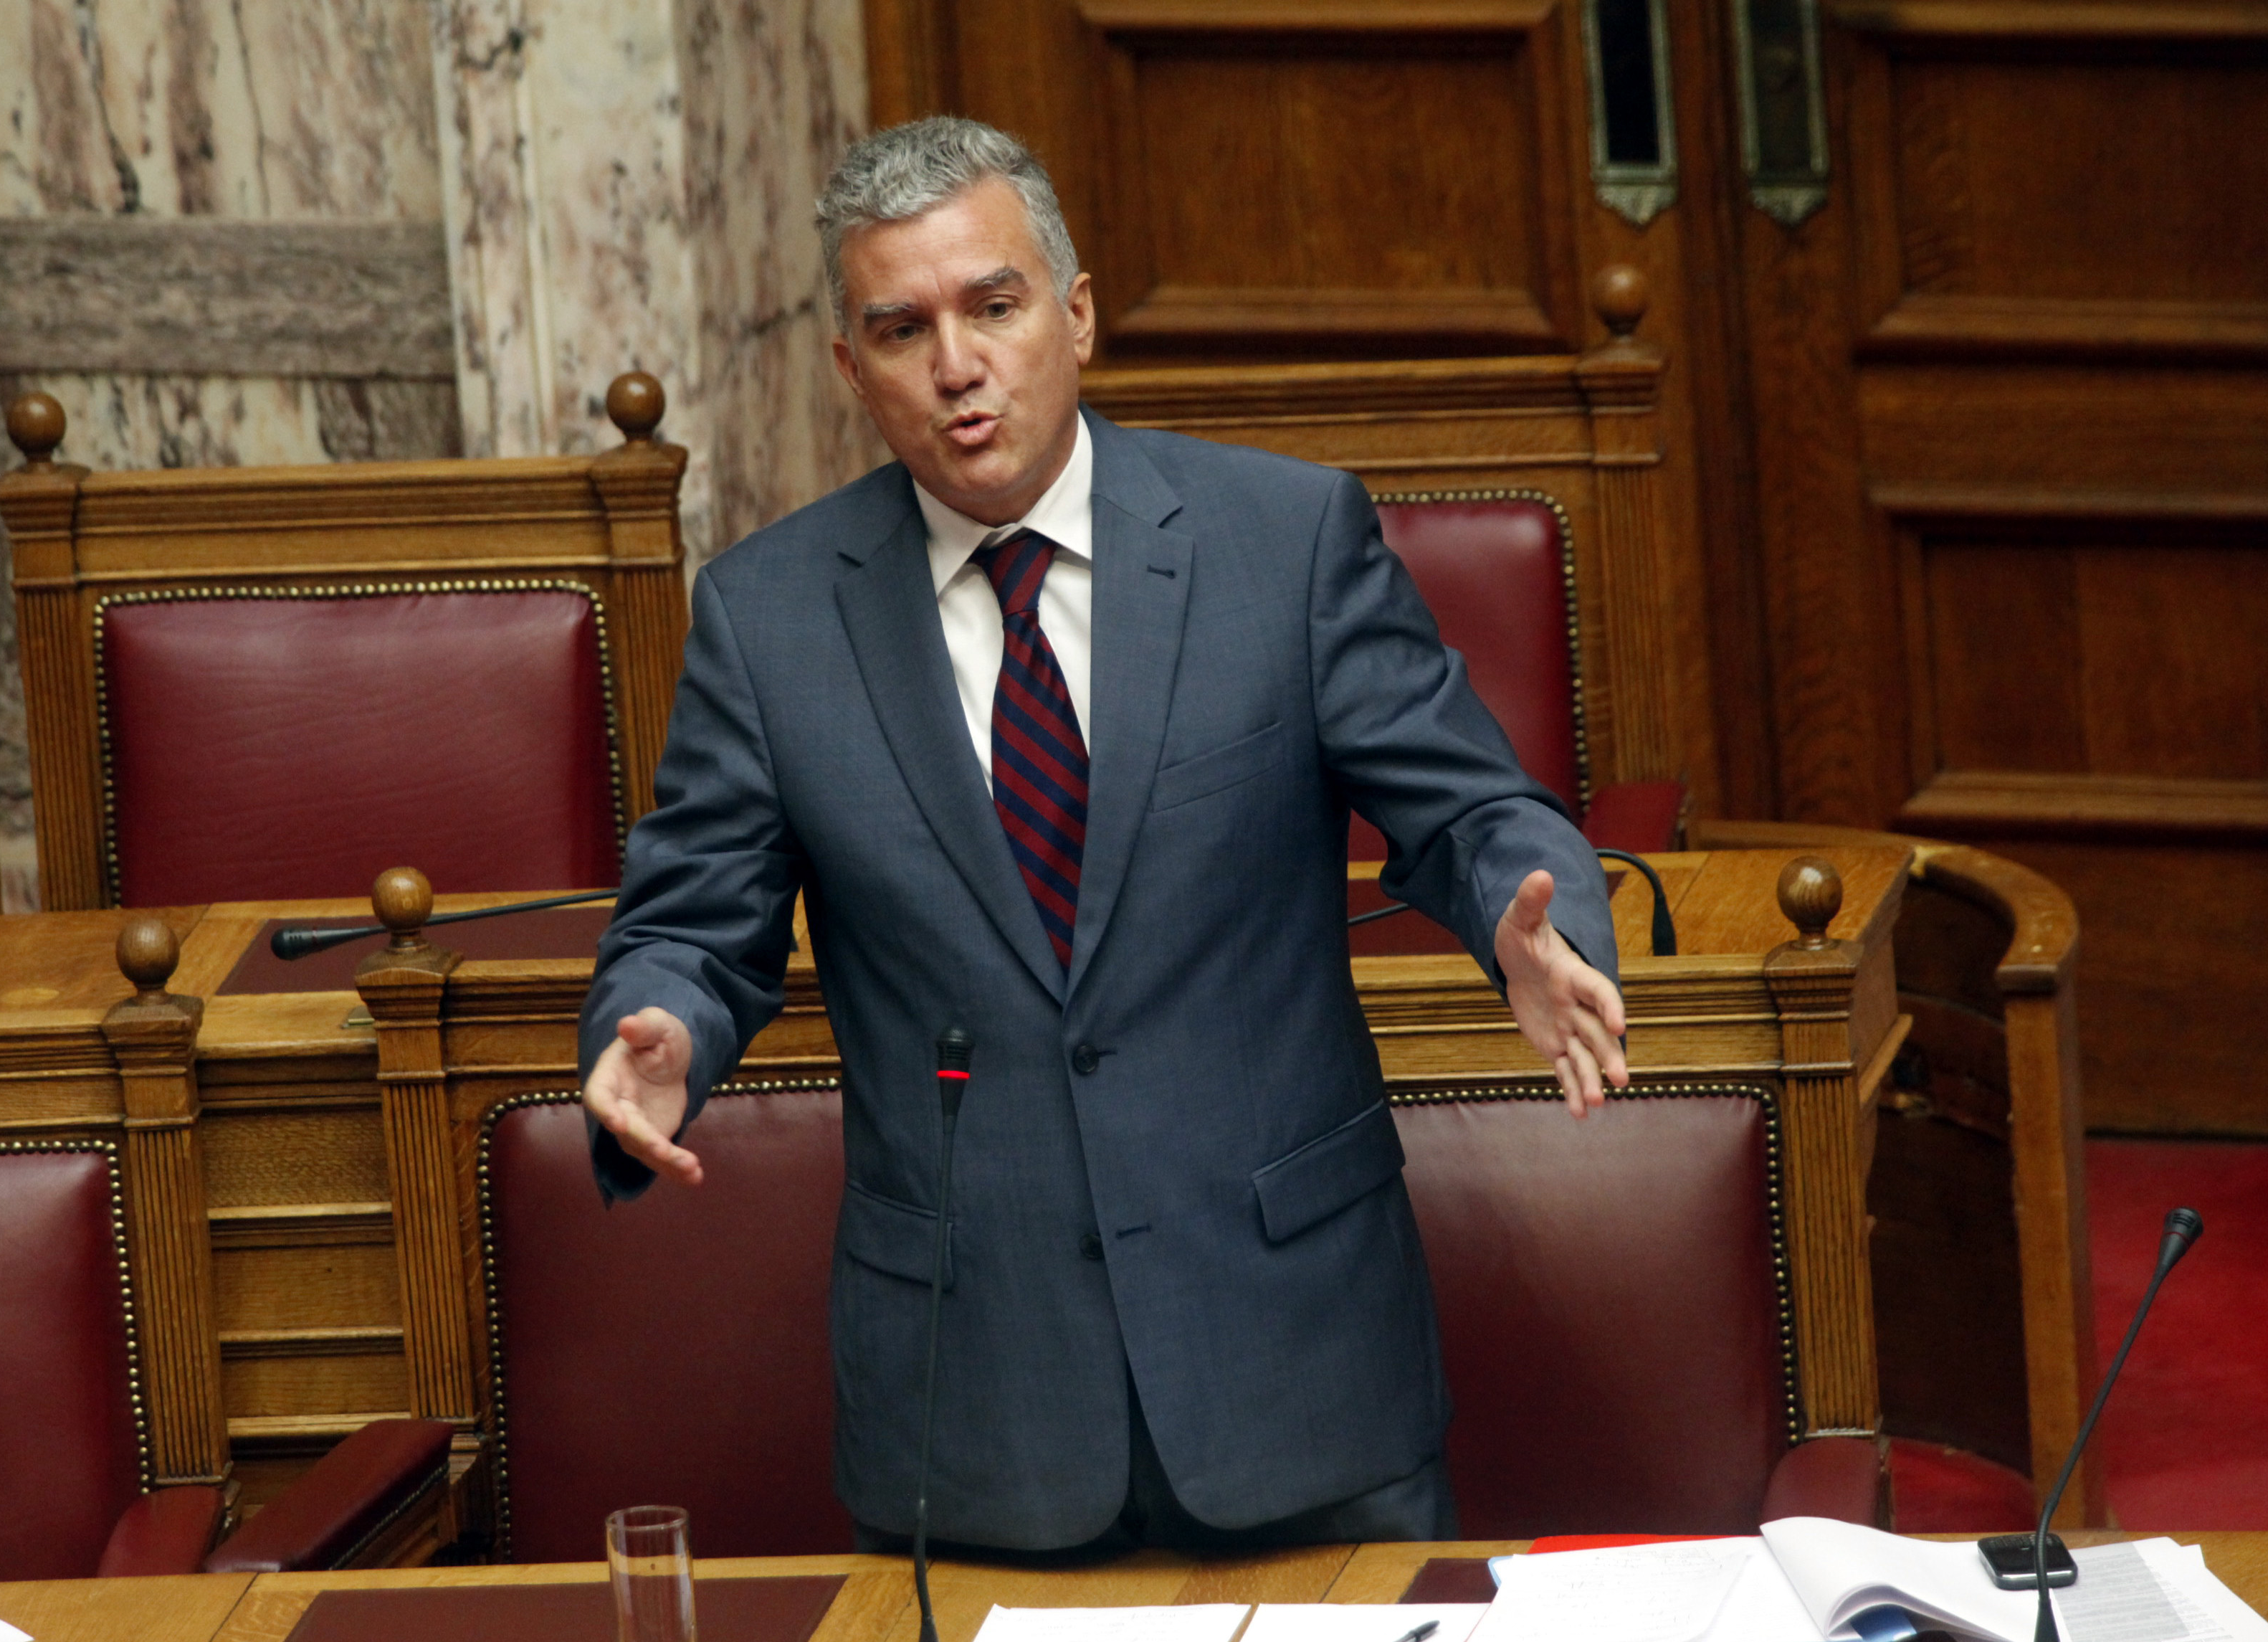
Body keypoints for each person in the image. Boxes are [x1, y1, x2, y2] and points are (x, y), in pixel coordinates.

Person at [579, 116, 1628, 1555]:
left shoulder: (1282, 540)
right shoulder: (769, 619)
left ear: (1073, 315)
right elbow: (697, 924)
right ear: (850, 369)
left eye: (994, 306)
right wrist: (660, 1029)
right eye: (902, 330)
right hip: (975, 1414)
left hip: (1303, 1377)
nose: (957, 365)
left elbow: (1472, 807)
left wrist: (1535, 929)